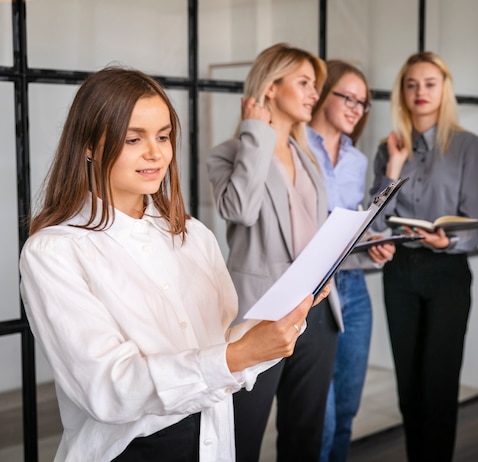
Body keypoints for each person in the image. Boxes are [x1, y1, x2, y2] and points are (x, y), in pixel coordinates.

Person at [18, 66, 325, 462]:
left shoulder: (193, 234)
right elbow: (108, 388)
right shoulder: (55, 252)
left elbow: (218, 345)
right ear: (89, 145)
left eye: (163, 136)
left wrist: (281, 320)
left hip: (213, 441)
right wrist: (237, 356)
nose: (156, 153)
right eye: (134, 139)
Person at [206, 43, 341, 462]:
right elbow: (239, 209)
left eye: (315, 86)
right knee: (243, 434)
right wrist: (254, 132)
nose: (313, 94)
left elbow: (314, 235)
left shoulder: (307, 156)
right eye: (303, 83)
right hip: (260, 315)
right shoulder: (228, 154)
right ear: (270, 86)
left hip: (316, 310)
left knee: (305, 433)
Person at [368, 51, 478, 461]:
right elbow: (377, 218)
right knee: (408, 385)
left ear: (443, 89)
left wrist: (446, 242)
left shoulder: (468, 145)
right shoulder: (390, 147)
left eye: (430, 83)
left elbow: (475, 223)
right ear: (402, 91)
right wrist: (393, 165)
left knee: (438, 386)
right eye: (412, 84)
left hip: (446, 272)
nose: (420, 92)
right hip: (400, 272)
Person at [307, 60, 395, 462]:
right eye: (348, 97)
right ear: (324, 94)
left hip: (354, 287)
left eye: (363, 103)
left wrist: (372, 240)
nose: (356, 108)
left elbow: (355, 222)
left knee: (346, 410)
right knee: (317, 420)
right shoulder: (297, 146)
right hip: (312, 290)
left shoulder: (357, 161)